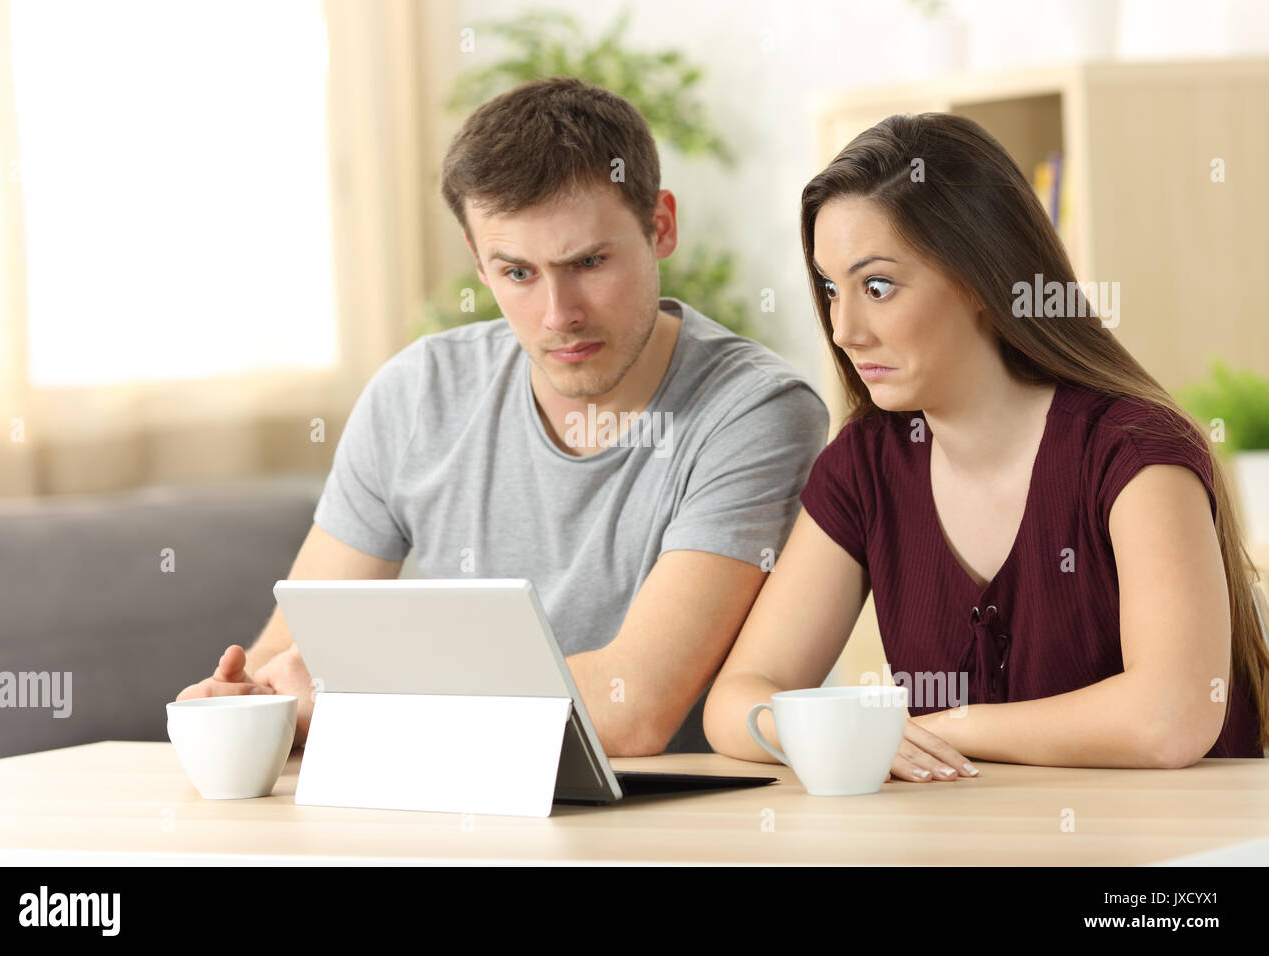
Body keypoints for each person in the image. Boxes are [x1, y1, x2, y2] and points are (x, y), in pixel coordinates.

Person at [176, 77, 829, 755]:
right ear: (478, 262)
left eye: (589, 262)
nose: (559, 314)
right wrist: (234, 705)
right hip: (445, 809)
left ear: (660, 226)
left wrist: (359, 694)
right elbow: (283, 665)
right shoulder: (417, 393)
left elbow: (630, 708)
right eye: (517, 272)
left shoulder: (755, 413)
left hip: (658, 833)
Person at [704, 112, 1267, 777]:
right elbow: (737, 700)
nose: (845, 329)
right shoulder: (864, 467)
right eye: (832, 289)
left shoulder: (1134, 451)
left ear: (979, 280)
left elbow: (1168, 720)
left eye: (877, 287)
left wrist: (936, 729)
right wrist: (834, 735)